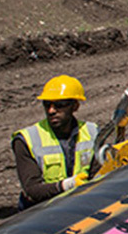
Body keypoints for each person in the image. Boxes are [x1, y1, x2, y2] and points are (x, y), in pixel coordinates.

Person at [12, 75, 98, 208]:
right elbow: (32, 189)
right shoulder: (26, 139)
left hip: (80, 203)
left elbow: (98, 174)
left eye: (59, 105)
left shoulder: (92, 132)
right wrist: (66, 185)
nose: (51, 111)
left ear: (75, 106)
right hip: (41, 210)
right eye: (47, 105)